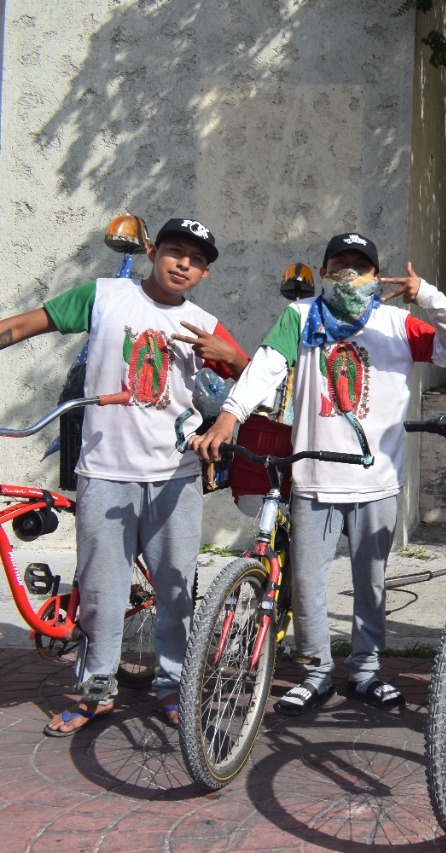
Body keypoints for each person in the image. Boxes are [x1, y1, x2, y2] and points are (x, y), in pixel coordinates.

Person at [190, 232, 446, 716]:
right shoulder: (301, 318)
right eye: (339, 265)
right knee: (310, 582)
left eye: (360, 266)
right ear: (323, 272)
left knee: (371, 581)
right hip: (314, 478)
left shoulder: (396, 324)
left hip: (376, 480)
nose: (349, 275)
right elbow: (267, 366)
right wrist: (230, 414)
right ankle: (316, 673)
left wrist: (428, 296)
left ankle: (366, 671)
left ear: (376, 276)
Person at [0, 218, 248, 735]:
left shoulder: (204, 321)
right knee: (101, 590)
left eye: (197, 260)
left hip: (176, 476)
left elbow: (255, 381)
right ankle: (96, 690)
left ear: (204, 272)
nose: (184, 264)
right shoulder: (105, 296)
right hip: (105, 472)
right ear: (153, 251)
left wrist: (234, 358)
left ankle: (173, 687)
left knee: (176, 590)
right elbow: (26, 325)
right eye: (175, 251)